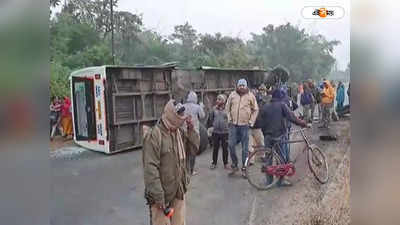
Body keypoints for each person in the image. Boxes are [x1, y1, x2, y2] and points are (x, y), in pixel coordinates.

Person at [142, 99, 200, 225]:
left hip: (178, 191)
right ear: (171, 115)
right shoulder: (155, 135)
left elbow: (194, 148)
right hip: (162, 198)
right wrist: (159, 198)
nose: (182, 118)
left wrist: (191, 129)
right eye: (178, 115)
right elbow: (150, 169)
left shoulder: (179, 132)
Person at [255, 88, 308, 186]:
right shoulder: (282, 105)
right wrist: (302, 123)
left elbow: (258, 122)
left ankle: (269, 181)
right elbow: (291, 117)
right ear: (280, 97)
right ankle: (281, 181)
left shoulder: (265, 106)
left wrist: (265, 131)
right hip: (278, 136)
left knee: (268, 159)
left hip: (267, 137)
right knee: (282, 159)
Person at [225, 78, 259, 177]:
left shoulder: (250, 96)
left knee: (245, 148)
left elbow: (255, 110)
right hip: (233, 125)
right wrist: (229, 118)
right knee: (231, 145)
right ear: (237, 86)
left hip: (245, 125)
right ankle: (235, 165)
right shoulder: (232, 95)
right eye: (240, 85)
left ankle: (244, 168)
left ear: (246, 86)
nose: (241, 87)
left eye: (243, 85)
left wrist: (251, 122)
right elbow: (227, 108)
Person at [183, 91, 205, 176]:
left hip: (184, 131)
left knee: (185, 151)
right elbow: (202, 116)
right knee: (193, 152)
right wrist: (201, 107)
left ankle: (184, 170)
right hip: (194, 132)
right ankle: (191, 170)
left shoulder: (183, 106)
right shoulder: (197, 107)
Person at [248, 84, 270, 165]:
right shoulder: (246, 102)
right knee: (249, 145)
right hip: (249, 127)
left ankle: (262, 155)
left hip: (258, 126)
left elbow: (265, 113)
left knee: (260, 143)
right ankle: (251, 160)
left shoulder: (261, 102)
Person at [207, 94, 229, 170]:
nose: (217, 101)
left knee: (225, 148)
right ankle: (214, 163)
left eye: (219, 99)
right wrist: (212, 126)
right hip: (216, 132)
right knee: (215, 148)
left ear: (223, 101)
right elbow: (211, 118)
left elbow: (230, 119)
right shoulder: (214, 109)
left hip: (225, 132)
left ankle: (225, 163)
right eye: (217, 99)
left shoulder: (227, 109)